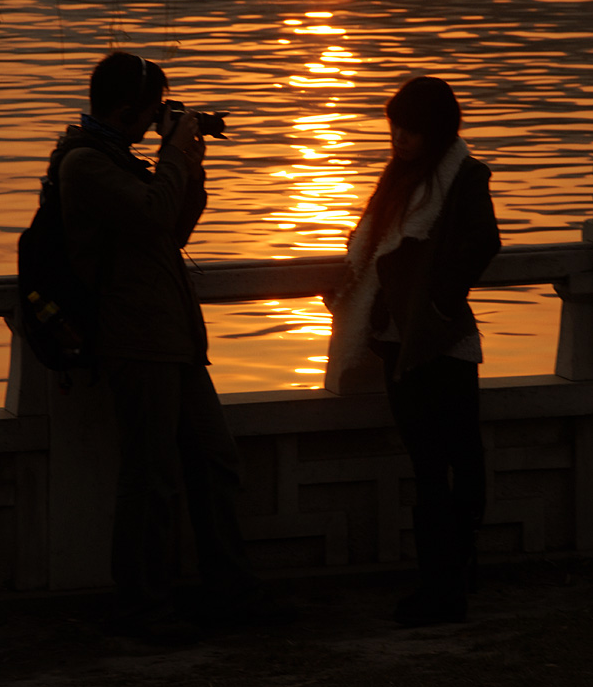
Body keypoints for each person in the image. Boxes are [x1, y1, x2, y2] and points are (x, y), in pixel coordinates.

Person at [51, 51, 274, 642]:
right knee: (150, 479)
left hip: (172, 336)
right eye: (152, 113)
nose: (158, 123)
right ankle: (142, 610)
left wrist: (189, 154)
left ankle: (230, 592)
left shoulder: (121, 157)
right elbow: (153, 216)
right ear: (126, 111)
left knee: (215, 462)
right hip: (135, 339)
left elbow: (175, 227)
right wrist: (172, 150)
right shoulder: (85, 165)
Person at [325, 76, 500, 627]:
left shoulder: (464, 176)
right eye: (394, 127)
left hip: (444, 344)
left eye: (410, 128)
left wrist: (438, 304)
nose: (399, 137)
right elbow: (375, 246)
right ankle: (443, 582)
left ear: (435, 129)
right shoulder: (398, 176)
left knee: (459, 461)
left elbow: (484, 243)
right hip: (401, 346)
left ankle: (446, 583)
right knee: (429, 466)